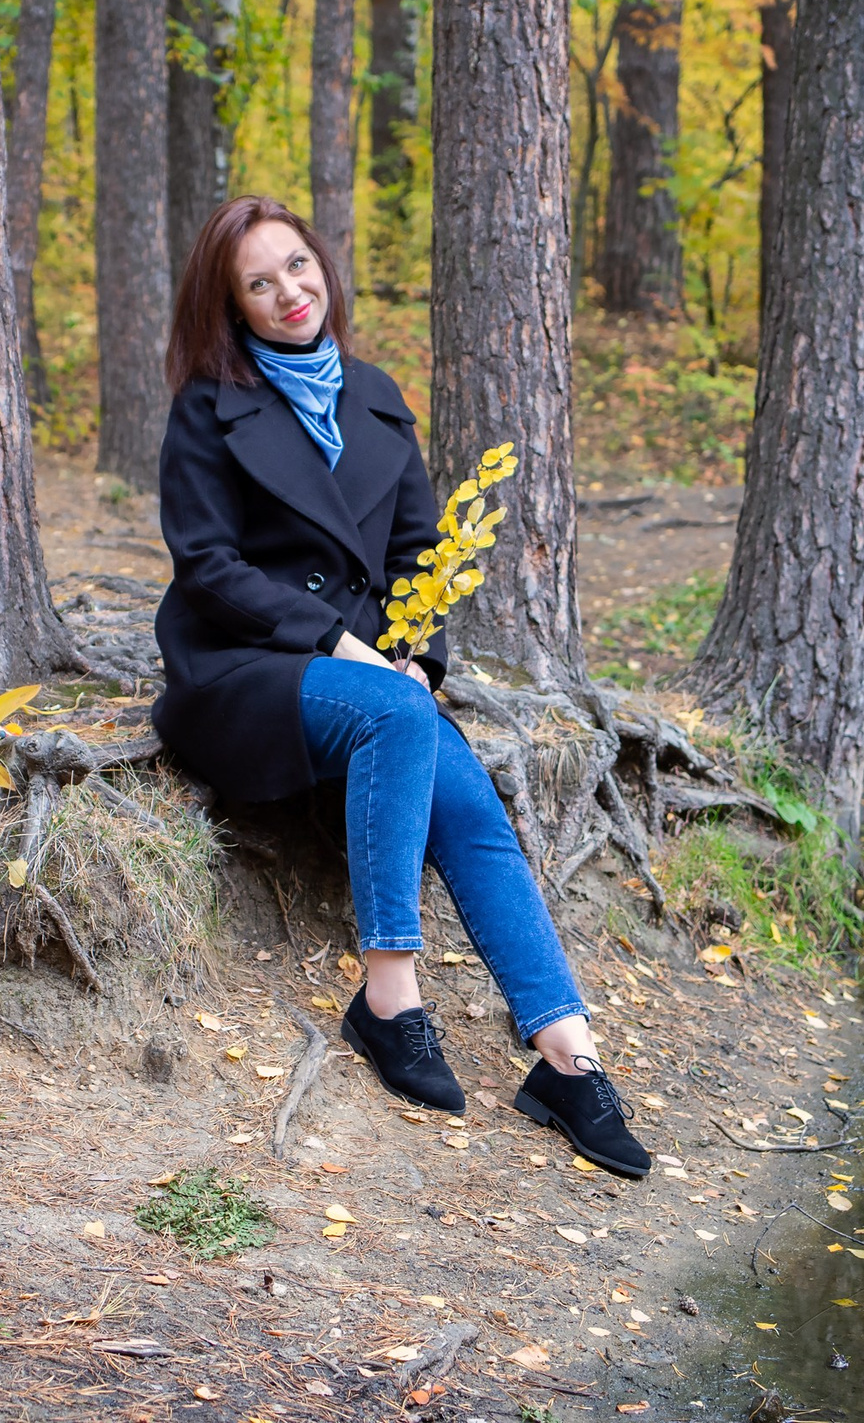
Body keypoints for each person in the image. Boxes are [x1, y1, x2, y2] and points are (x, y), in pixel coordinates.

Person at [150, 194, 649, 1178]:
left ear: (321, 267)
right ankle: (389, 994)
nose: (288, 291)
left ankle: (565, 1050)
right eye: (259, 282)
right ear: (232, 306)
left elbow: (421, 550)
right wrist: (341, 644)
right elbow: (207, 565)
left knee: (468, 807)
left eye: (296, 266)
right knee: (394, 711)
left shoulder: (373, 392)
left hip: (370, 673)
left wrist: (421, 651)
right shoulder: (209, 407)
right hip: (244, 668)